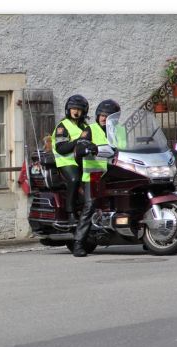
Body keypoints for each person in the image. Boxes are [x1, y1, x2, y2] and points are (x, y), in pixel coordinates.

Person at [72, 99, 121, 257]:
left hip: (116, 173)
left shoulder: (120, 131)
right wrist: (87, 147)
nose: (103, 118)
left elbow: (127, 148)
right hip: (94, 175)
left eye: (107, 115)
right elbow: (79, 148)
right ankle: (78, 243)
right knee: (90, 205)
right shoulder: (90, 129)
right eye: (101, 114)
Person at [50, 94, 89, 225]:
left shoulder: (84, 126)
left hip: (84, 161)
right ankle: (70, 212)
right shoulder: (63, 126)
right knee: (75, 179)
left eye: (79, 109)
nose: (76, 111)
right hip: (67, 161)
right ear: (68, 109)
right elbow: (61, 148)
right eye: (73, 108)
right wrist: (78, 141)